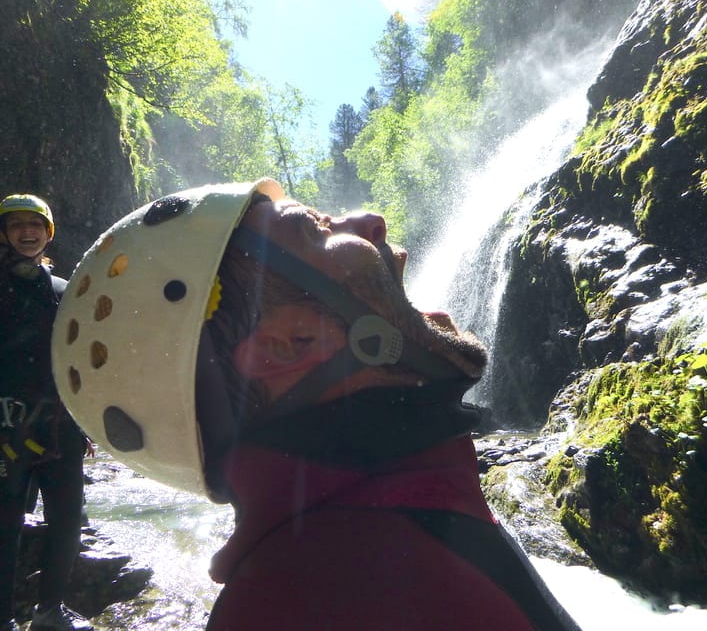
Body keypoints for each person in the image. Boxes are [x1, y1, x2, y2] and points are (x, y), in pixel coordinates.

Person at [52, 179, 582, 630]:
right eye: (314, 228)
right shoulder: (347, 590)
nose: (372, 223)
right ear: (288, 345)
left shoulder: (344, 554)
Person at [0, 195, 93, 631]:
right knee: (5, 526)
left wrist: (85, 420)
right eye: (16, 224)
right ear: (4, 234)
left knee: (67, 518)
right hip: (5, 427)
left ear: (48, 233)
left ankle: (49, 611)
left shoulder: (64, 291)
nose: (26, 231)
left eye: (35, 224)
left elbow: (80, 358)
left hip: (59, 425)